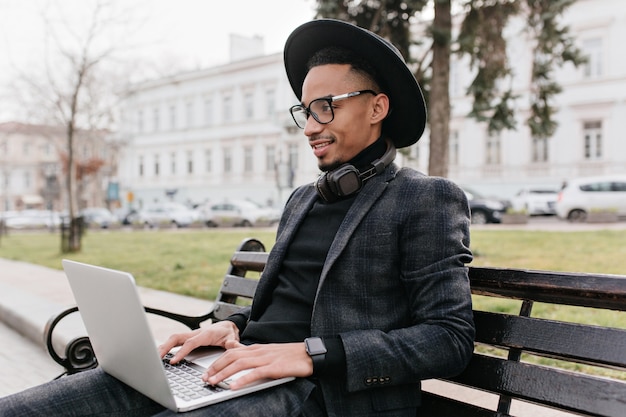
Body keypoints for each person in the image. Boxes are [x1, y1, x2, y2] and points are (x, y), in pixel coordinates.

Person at [0, 19, 474, 417]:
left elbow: (449, 339)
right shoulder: (302, 200)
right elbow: (287, 305)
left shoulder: (426, 199)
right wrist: (233, 328)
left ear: (377, 107)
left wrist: (309, 354)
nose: (310, 126)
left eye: (326, 107)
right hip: (237, 367)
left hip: (320, 394)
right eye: (304, 111)